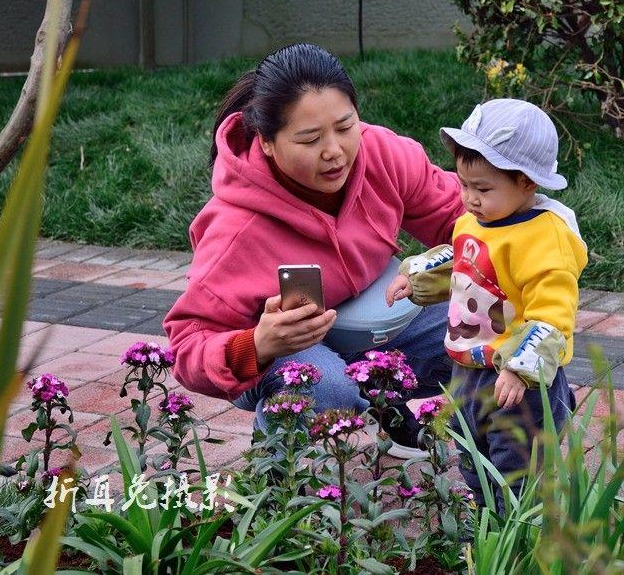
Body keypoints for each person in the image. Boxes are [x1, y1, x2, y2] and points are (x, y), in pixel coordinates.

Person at [163, 43, 466, 457]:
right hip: (284, 352)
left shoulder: (384, 154)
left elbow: (460, 218)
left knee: (484, 328)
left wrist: (525, 241)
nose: (335, 152)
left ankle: (386, 404)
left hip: (378, 319)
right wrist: (257, 344)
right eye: (309, 139)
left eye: (345, 127)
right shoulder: (235, 229)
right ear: (267, 142)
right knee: (326, 386)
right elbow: (187, 347)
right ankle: (272, 484)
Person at [385, 98, 588, 506]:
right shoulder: (474, 222)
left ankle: (519, 543)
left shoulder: (543, 240)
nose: (469, 198)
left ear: (527, 182)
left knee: (516, 469)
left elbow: (553, 313)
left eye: (482, 189)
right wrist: (417, 276)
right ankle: (486, 529)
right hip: (468, 368)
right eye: (463, 185)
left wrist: (522, 369)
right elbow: (462, 261)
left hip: (516, 381)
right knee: (472, 456)